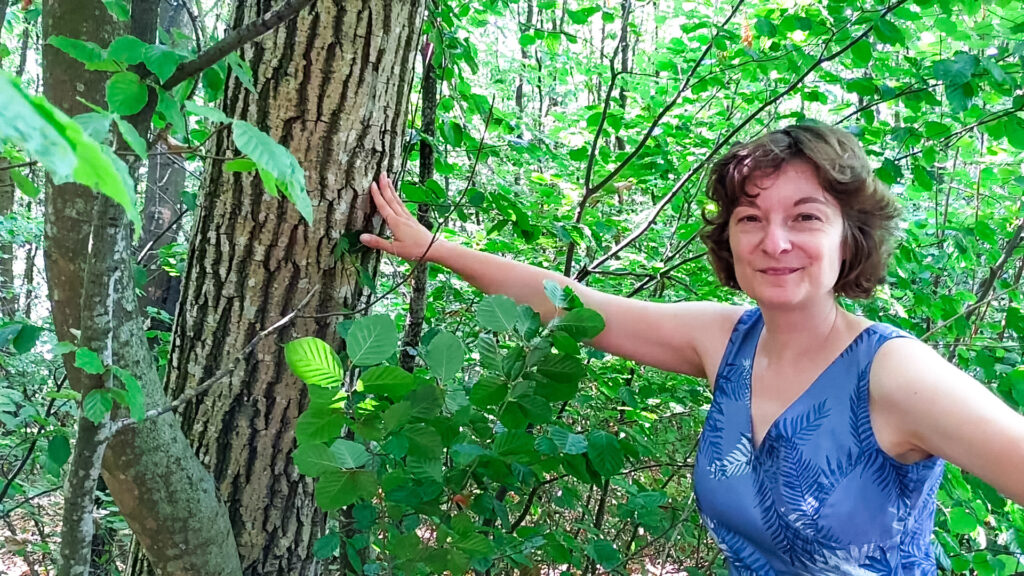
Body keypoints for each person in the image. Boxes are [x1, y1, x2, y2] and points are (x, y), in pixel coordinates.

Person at [359, 124, 1024, 574]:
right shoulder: (726, 340)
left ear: (849, 238)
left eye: (806, 217)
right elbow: (571, 304)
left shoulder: (891, 373)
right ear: (729, 240)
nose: (776, 241)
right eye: (751, 219)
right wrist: (432, 249)